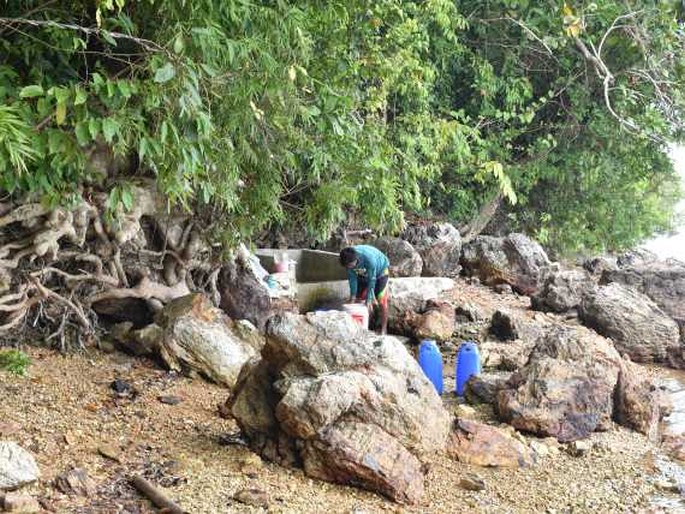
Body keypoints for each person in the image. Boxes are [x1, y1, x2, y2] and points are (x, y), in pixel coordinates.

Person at [339, 245, 390, 335]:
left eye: (350, 266)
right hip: (363, 274)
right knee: (358, 300)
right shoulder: (348, 262)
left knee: (381, 300)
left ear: (356, 260)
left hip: (380, 272)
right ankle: (366, 326)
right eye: (347, 267)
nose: (349, 268)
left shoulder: (369, 258)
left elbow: (372, 279)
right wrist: (353, 297)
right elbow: (352, 279)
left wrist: (370, 297)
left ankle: (383, 329)